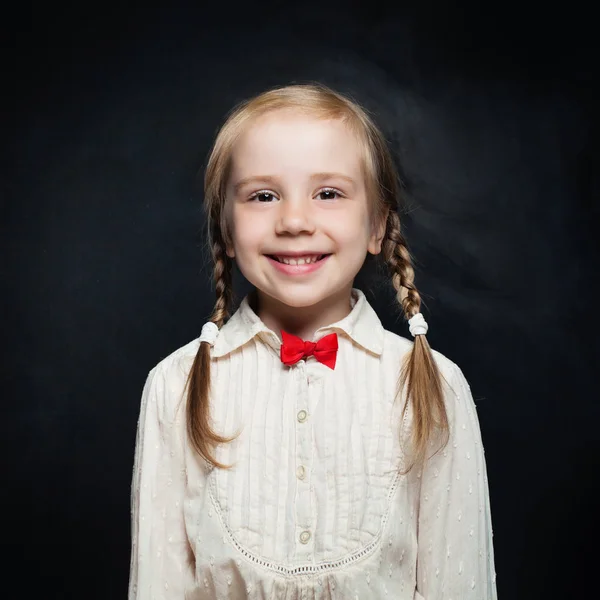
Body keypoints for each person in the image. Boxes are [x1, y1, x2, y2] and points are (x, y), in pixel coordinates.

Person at [128, 82, 498, 599]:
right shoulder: (176, 385)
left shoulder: (434, 387)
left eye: (328, 193)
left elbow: (462, 587)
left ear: (377, 228)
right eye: (263, 195)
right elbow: (158, 586)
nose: (295, 221)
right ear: (228, 232)